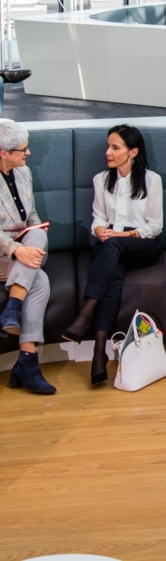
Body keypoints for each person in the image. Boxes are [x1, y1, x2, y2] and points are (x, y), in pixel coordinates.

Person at [62, 125, 163, 385]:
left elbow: (154, 225)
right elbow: (99, 217)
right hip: (110, 243)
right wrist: (100, 231)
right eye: (108, 146)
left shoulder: (152, 180)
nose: (108, 152)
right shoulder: (101, 180)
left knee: (113, 248)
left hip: (142, 244)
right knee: (113, 270)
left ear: (133, 152)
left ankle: (86, 313)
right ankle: (99, 353)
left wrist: (121, 237)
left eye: (115, 147)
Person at [0, 120, 55, 394]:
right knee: (41, 280)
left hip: (23, 248)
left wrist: (35, 227)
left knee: (39, 235)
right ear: (3, 152)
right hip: (3, 254)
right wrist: (15, 249)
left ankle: (12, 306)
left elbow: (29, 215)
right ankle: (27, 360)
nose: (28, 153)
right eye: (22, 149)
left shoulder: (23, 173)